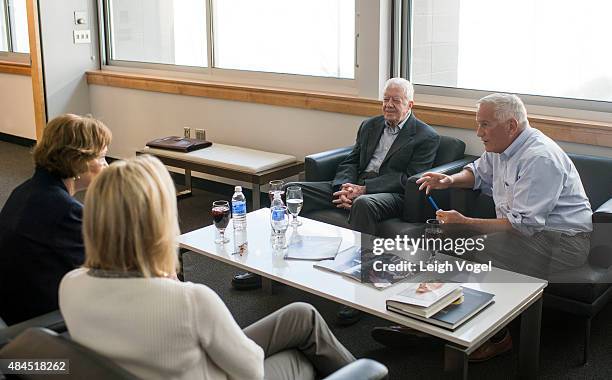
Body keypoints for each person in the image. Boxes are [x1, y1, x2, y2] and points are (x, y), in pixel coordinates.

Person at [59, 155, 356, 380]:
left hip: (171, 364)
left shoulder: (71, 284)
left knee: (301, 315)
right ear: (159, 221)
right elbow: (250, 369)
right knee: (300, 361)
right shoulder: (190, 301)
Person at [373, 93, 592, 361]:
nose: (478, 132)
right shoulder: (502, 148)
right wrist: (448, 180)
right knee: (442, 241)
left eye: (484, 125)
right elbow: (477, 173)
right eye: (479, 124)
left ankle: (496, 338)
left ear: (511, 126)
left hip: (562, 242)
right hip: (528, 232)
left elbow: (523, 226)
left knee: (474, 249)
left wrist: (466, 223)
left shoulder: (539, 158)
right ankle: (424, 318)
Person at [232, 78, 440, 293]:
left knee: (364, 204)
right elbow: (351, 160)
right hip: (354, 186)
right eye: (385, 99)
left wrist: (364, 190)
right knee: (288, 191)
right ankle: (273, 269)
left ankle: (360, 284)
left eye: (395, 100)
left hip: (389, 194)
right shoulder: (370, 125)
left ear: (410, 104)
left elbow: (408, 178)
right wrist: (343, 187)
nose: (388, 105)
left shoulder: (426, 136)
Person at [0, 114, 111, 325]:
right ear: (78, 161)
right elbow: (102, 275)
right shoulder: (65, 211)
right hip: (40, 320)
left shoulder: (25, 191)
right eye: (101, 157)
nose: (106, 165)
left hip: (13, 305)